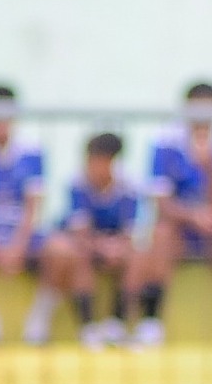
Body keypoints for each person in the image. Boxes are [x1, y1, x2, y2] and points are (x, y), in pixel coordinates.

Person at [141, 81, 212, 347]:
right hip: (181, 226)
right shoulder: (164, 142)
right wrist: (192, 216)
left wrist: (210, 166)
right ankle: (152, 321)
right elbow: (161, 203)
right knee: (161, 234)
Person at [0, 84, 53, 347]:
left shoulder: (33, 151)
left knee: (62, 251)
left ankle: (39, 321)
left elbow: (33, 206)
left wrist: (17, 246)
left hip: (21, 235)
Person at [43, 133, 145, 347]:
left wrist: (117, 247)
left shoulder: (129, 185)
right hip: (88, 244)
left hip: (115, 246)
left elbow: (130, 230)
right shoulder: (77, 183)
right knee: (77, 252)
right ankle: (88, 325)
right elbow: (80, 232)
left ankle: (117, 322)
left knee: (138, 255)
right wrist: (103, 247)